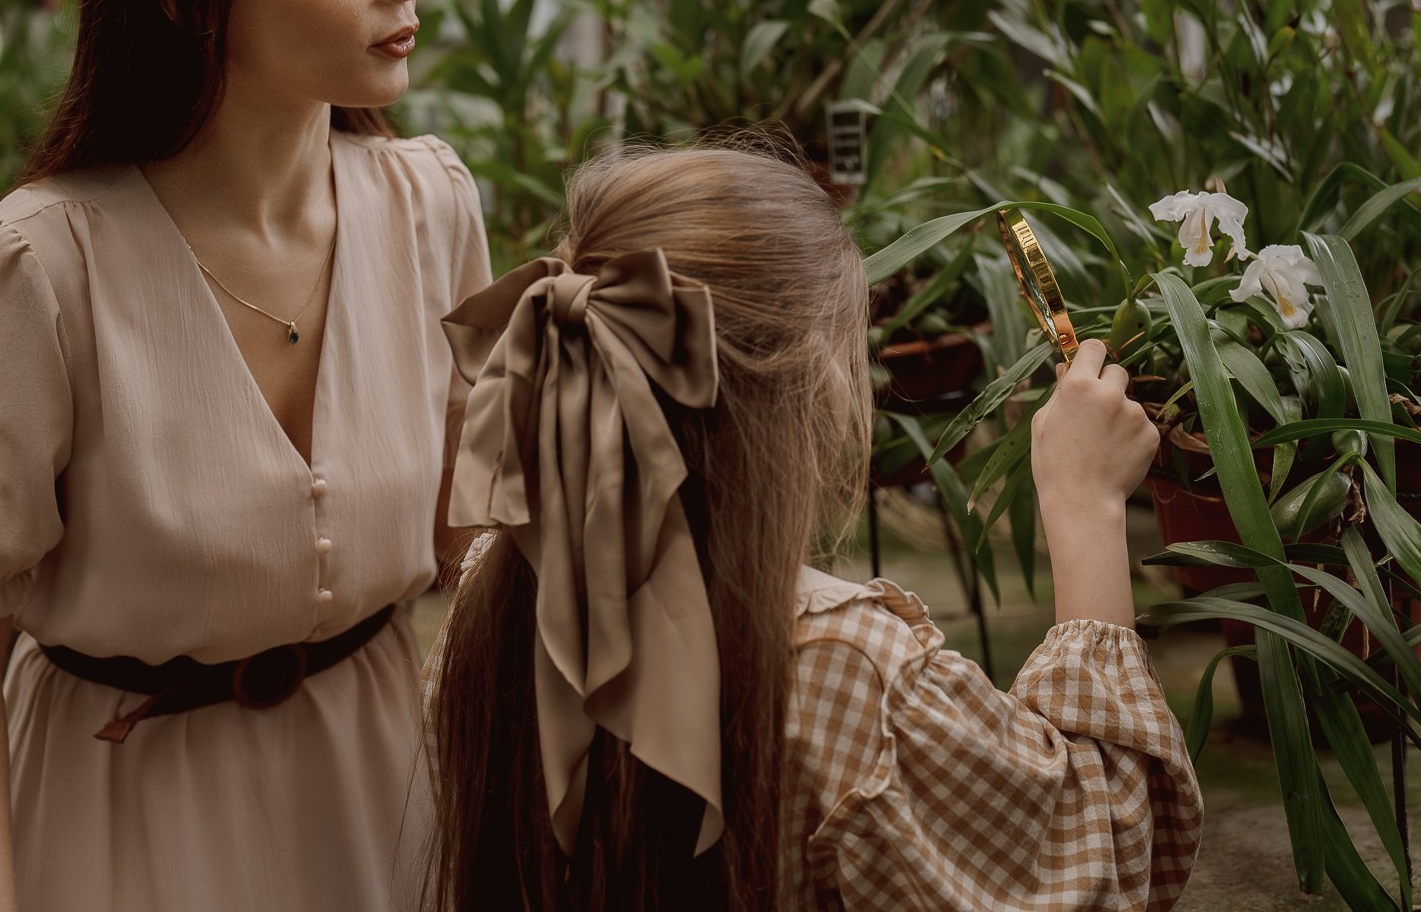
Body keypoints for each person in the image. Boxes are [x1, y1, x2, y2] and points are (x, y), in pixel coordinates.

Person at [0, 0, 490, 912]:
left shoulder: (431, 209)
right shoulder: (41, 265)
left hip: (387, 817)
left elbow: (481, 544)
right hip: (124, 835)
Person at [423, 146, 1202, 911]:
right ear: (810, 379)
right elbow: (1102, 848)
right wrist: (1085, 503)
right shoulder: (843, 668)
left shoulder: (493, 595)